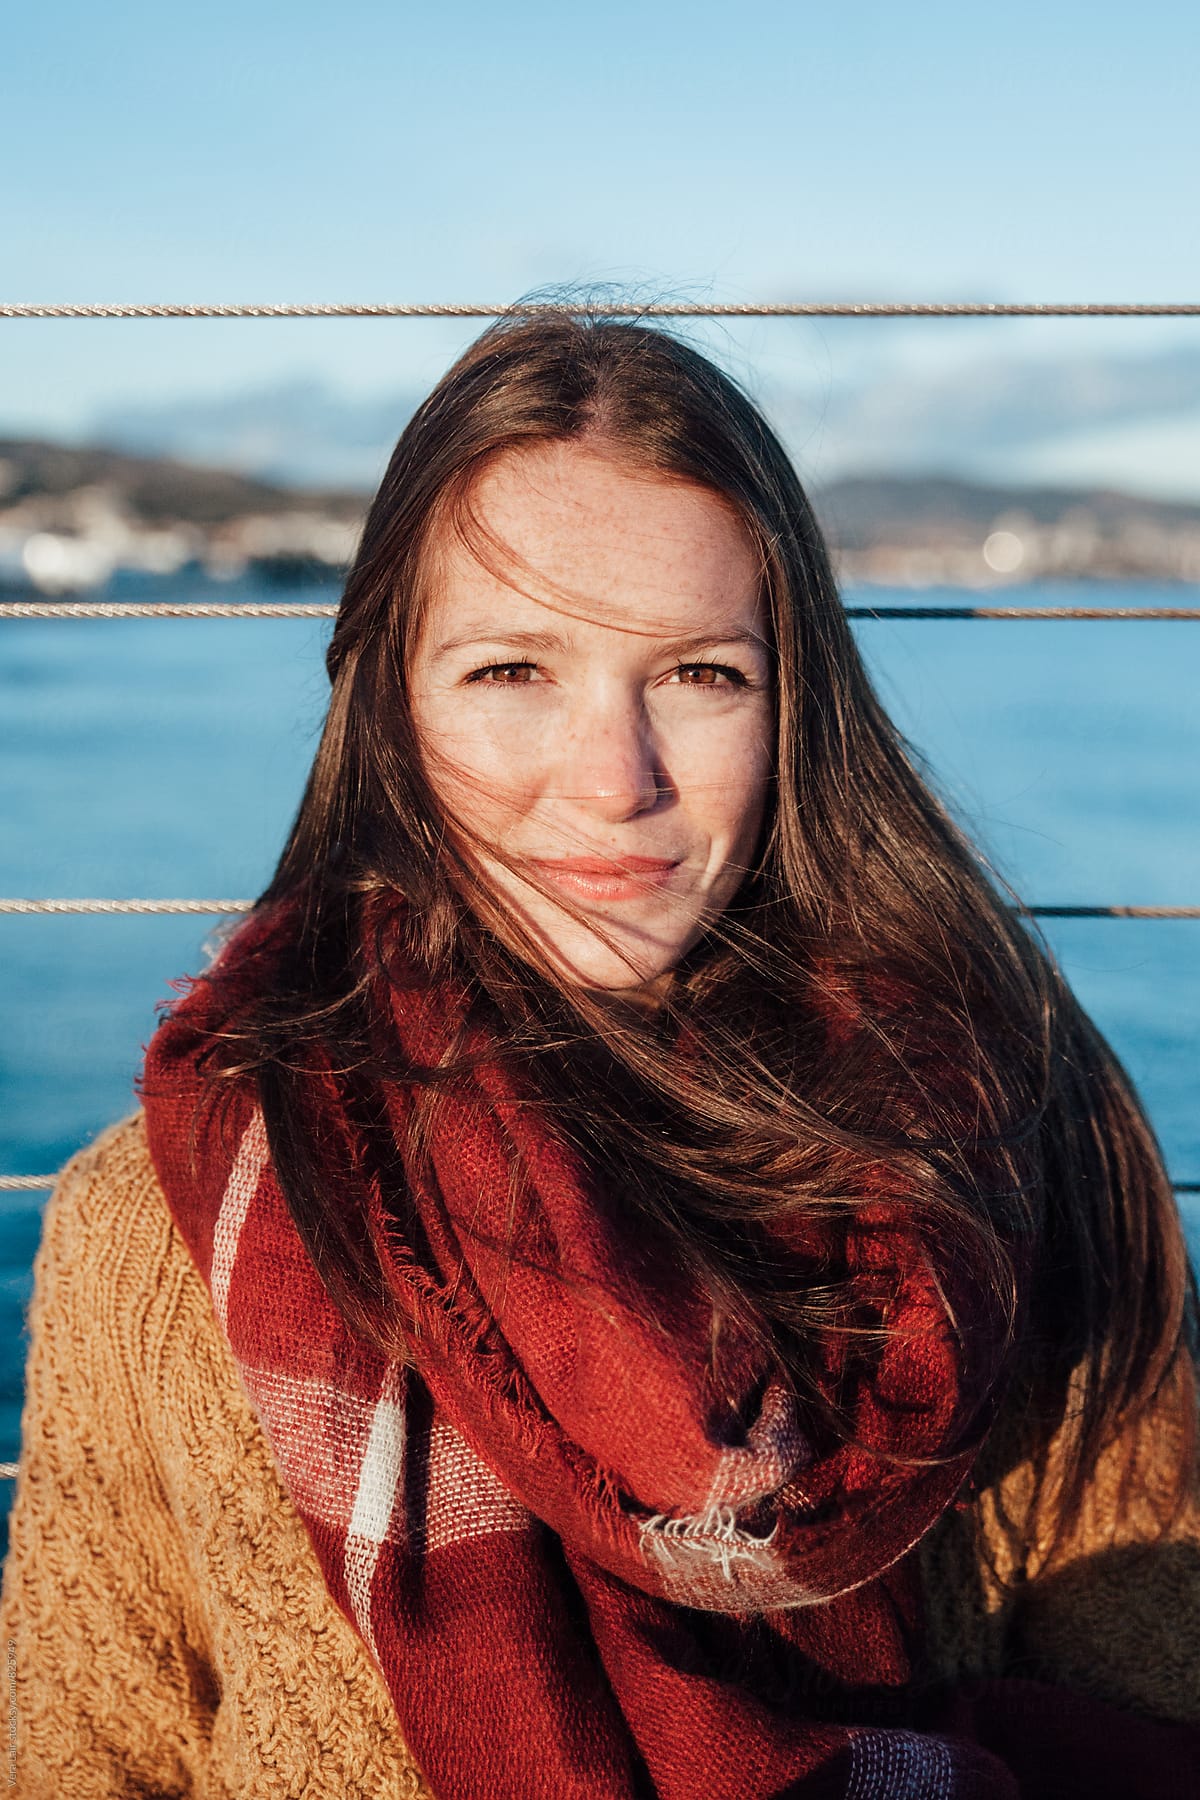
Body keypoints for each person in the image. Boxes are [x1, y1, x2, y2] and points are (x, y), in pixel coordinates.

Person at [3, 308, 1199, 1799]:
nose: (613, 781)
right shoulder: (167, 1225)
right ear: (391, 699)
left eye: (700, 676)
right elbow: (83, 1755)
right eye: (512, 670)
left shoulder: (1003, 1161)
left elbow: (1159, 1709)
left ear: (793, 708)